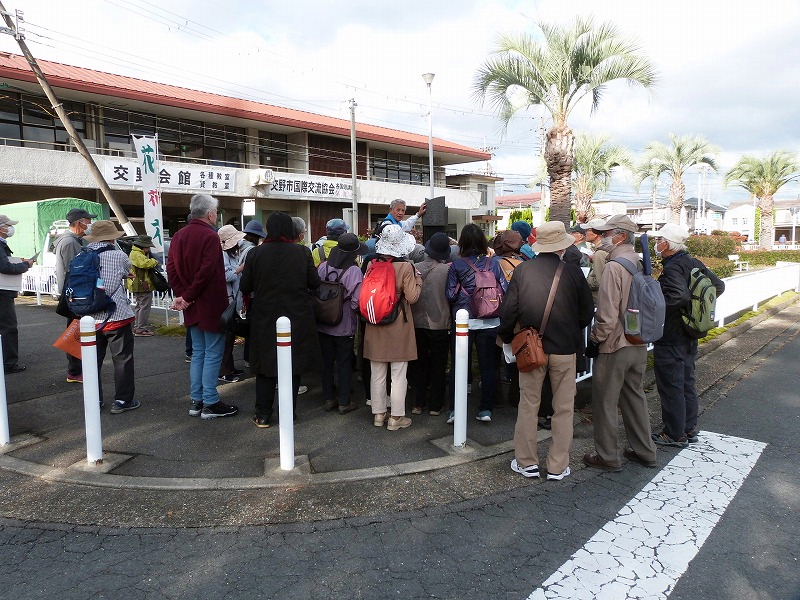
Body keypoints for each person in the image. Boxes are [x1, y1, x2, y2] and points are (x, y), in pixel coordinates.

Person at [500, 221, 594, 481]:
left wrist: (507, 339)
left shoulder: (523, 270)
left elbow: (509, 311)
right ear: (562, 246)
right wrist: (569, 328)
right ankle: (557, 466)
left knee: (529, 405)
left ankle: (526, 462)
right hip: (565, 348)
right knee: (563, 408)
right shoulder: (573, 272)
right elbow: (587, 312)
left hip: (532, 348)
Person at [584, 214, 658, 471]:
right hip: (639, 341)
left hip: (615, 345)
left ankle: (608, 456)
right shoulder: (639, 262)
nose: (603, 237)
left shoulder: (614, 266)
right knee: (634, 397)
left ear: (621, 236)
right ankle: (645, 451)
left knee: (605, 402)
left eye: (607, 233)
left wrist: (595, 340)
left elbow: (607, 315)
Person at [240, 212, 320, 428]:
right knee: (292, 364)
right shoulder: (302, 252)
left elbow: (245, 286)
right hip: (297, 316)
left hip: (264, 316)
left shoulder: (256, 253)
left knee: (265, 365)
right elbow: (314, 282)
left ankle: (262, 415)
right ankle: (288, 413)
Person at [652, 223, 724, 447]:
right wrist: (696, 312)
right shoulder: (693, 262)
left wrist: (656, 306)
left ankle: (674, 434)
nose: (657, 243)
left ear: (667, 244)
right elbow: (718, 286)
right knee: (686, 381)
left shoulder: (673, 267)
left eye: (659, 240)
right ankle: (689, 427)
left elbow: (678, 296)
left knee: (671, 385)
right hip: (691, 332)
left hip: (672, 333)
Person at [167, 194, 238, 420]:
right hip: (210, 303)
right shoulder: (210, 236)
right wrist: (188, 296)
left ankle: (197, 400)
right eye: (215, 212)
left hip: (192, 305)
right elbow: (207, 272)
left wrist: (182, 296)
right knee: (213, 353)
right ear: (210, 214)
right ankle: (210, 402)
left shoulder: (179, 235)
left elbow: (171, 268)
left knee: (198, 353)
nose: (215, 216)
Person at [446, 223, 508, 423]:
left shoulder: (457, 265)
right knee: (488, 366)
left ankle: (455, 410)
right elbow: (504, 290)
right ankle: (485, 409)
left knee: (459, 366)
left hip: (464, 321)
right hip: (490, 320)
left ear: (462, 242)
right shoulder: (494, 264)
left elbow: (450, 294)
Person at [363, 224, 422, 431]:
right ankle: (396, 417)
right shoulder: (406, 267)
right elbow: (412, 298)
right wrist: (419, 280)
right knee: (398, 374)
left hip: (375, 321)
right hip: (398, 324)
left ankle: (379, 414)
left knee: (377, 372)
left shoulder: (372, 265)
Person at [82, 220, 139, 413]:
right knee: (122, 359)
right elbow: (128, 271)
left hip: (89, 318)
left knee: (92, 361)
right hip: (116, 316)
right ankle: (122, 401)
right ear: (112, 238)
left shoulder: (82, 254)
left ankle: (94, 400)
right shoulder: (118, 255)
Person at [316, 232, 367, 414]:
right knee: (344, 363)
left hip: (323, 322)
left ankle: (329, 398)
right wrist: (351, 311)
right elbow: (357, 300)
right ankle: (344, 401)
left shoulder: (323, 266)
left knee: (326, 362)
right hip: (344, 325)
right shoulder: (353, 271)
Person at [409, 232, 451, 416]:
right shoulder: (447, 270)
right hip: (440, 323)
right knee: (438, 364)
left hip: (416, 323)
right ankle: (435, 405)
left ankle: (418, 403)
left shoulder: (414, 268)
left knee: (419, 363)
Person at [54, 208, 96, 382]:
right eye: (88, 220)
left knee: (77, 330)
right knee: (76, 332)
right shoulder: (70, 242)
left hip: (74, 294)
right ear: (80, 222)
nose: (90, 223)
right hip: (76, 296)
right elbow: (76, 270)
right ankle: (74, 371)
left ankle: (77, 369)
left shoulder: (70, 240)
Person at [0, 215, 34, 374]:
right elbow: (5, 267)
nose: (10, 229)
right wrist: (25, 265)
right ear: (1, 228)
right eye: (8, 226)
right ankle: (9, 363)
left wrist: (18, 261)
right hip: (3, 291)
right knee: (8, 328)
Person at [217, 225, 246, 383]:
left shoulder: (231, 253)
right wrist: (240, 269)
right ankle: (224, 371)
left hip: (232, 298)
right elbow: (225, 276)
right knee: (227, 337)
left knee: (230, 335)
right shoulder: (222, 254)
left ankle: (230, 368)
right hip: (227, 299)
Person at [126, 235, 159, 337]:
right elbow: (145, 264)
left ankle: (137, 327)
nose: (148, 249)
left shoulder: (135, 252)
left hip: (137, 283)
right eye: (148, 247)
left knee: (139, 306)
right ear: (143, 246)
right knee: (144, 306)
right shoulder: (137, 254)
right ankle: (140, 328)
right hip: (142, 284)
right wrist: (155, 261)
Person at [582, 217, 612, 302]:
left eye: (588, 230)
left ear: (595, 233)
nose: (585, 233)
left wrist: (585, 282)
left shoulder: (600, 253)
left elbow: (601, 282)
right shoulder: (604, 249)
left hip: (598, 299)